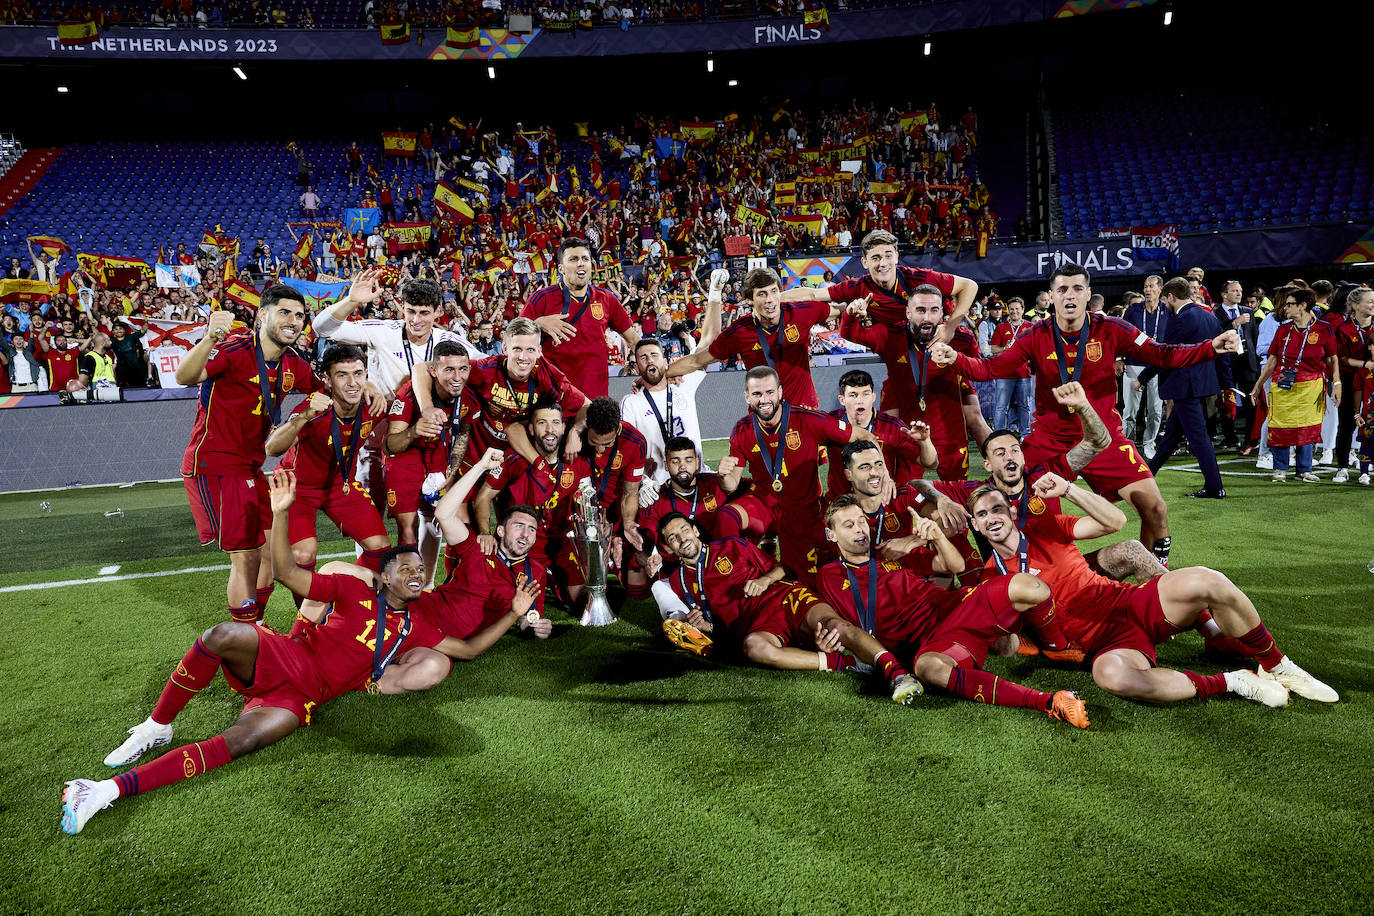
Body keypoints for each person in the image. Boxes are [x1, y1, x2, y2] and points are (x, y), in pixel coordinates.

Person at [59, 470, 466, 836]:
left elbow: (466, 649)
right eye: (406, 568)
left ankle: (100, 791)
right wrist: (281, 513)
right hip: (290, 656)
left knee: (241, 741)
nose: (416, 575)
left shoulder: (416, 627)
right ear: (384, 576)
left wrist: (514, 615)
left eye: (419, 571)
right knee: (222, 634)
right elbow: (289, 573)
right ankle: (157, 725)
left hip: (301, 699)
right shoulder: (355, 589)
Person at [931, 262, 1240, 567]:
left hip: (1103, 437)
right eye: (1062, 289)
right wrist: (956, 358)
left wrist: (1211, 346)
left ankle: (1154, 586)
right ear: (1051, 296)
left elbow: (1162, 353)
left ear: (1088, 294)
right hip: (1050, 439)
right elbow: (990, 368)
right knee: (1017, 509)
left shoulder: (1112, 328)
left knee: (1155, 508)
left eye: (1077, 288)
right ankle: (1027, 577)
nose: (1070, 296)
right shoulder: (1034, 334)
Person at [969, 479, 1337, 705]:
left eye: (997, 508)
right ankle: (1233, 682)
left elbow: (1115, 521)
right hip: (1103, 647)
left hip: (1128, 604)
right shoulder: (990, 579)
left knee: (1208, 579)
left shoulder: (1046, 526)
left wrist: (1068, 489)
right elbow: (1007, 647)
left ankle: (1277, 666)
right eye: (982, 515)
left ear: (1011, 510)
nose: (992, 517)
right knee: (1113, 679)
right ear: (977, 525)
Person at [819, 494, 1085, 721]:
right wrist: (827, 642)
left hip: (956, 606)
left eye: (861, 522)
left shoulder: (891, 551)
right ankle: (1049, 701)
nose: (859, 529)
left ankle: (1055, 647)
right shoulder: (828, 575)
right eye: (849, 525)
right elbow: (831, 622)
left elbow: (954, 566)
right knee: (929, 668)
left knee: (1032, 587)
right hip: (935, 641)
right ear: (832, 534)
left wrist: (935, 537)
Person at [177, 288, 332, 624]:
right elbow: (184, 377)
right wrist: (207, 338)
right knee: (246, 556)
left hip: (250, 467)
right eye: (285, 313)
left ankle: (256, 627)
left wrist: (303, 413)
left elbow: (324, 389)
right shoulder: (234, 348)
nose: (293, 321)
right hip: (214, 464)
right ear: (262, 315)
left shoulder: (293, 363)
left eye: (299, 316)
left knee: (268, 553)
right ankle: (245, 636)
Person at [656, 512, 912, 691]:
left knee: (835, 626)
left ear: (695, 530)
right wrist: (705, 627)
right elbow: (715, 624)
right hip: (757, 627)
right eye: (673, 538)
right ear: (669, 548)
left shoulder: (732, 546)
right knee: (755, 648)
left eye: (684, 530)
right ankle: (847, 664)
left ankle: (897, 672)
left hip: (783, 598)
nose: (682, 538)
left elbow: (784, 569)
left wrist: (765, 581)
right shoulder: (678, 581)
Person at [311, 271, 476, 514]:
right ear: (401, 307)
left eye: (424, 313)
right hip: (379, 433)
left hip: (425, 436)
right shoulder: (383, 331)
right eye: (410, 311)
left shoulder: (449, 342)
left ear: (438, 312)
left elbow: (494, 363)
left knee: (427, 513)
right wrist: (352, 300)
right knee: (369, 509)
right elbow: (322, 329)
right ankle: (370, 554)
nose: (416, 320)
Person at [724, 366, 878, 586]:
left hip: (802, 512)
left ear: (780, 392)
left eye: (769, 392)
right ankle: (734, 580)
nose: (764, 399)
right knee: (727, 517)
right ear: (747, 397)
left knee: (805, 578)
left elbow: (864, 436)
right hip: (766, 508)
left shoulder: (808, 419)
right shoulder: (741, 430)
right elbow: (730, 485)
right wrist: (724, 476)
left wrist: (883, 477)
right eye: (757, 394)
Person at [264, 344, 392, 576]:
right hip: (297, 487)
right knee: (303, 555)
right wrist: (305, 416)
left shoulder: (373, 404)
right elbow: (272, 448)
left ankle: (351, 594)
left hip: (340, 486)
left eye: (358, 374)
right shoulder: (315, 406)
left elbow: (404, 403)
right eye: (342, 375)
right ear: (328, 380)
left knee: (381, 550)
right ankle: (311, 613)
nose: (352, 383)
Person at [839, 283, 980, 480]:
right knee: (906, 497)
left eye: (934, 310)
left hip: (950, 435)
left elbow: (979, 368)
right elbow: (850, 333)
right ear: (908, 312)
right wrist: (851, 313)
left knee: (957, 496)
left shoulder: (961, 339)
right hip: (909, 435)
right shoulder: (891, 335)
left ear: (941, 314)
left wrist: (958, 360)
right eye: (920, 310)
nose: (927, 317)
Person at [664, 266, 849, 409]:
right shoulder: (739, 332)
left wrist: (858, 304)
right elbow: (697, 359)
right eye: (762, 294)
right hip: (764, 416)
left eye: (774, 291)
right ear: (749, 299)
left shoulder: (801, 312)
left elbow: (842, 311)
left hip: (805, 410)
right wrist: (661, 375)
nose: (770, 299)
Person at [426, 447, 553, 642]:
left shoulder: (535, 572)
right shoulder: (477, 545)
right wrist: (481, 466)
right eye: (519, 526)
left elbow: (528, 616)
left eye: (532, 530)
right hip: (424, 616)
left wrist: (536, 627)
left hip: (450, 643)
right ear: (500, 530)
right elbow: (443, 514)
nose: (525, 534)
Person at [779, 228, 978, 344]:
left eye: (888, 256)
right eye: (875, 258)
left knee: (969, 411)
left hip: (938, 341)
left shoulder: (919, 278)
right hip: (901, 352)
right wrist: (773, 299)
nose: (883, 263)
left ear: (897, 257)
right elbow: (814, 295)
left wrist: (951, 327)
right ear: (865, 262)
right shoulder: (857, 287)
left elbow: (969, 286)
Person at [386, 341, 476, 584]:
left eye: (463, 369)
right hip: (405, 459)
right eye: (449, 370)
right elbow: (390, 445)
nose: (457, 377)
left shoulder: (468, 393)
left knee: (454, 521)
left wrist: (452, 470)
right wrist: (414, 431)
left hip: (439, 455)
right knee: (407, 528)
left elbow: (463, 434)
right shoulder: (408, 395)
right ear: (433, 371)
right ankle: (407, 588)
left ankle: (446, 585)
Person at [1140, 277, 1232, 499]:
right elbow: (1222, 354)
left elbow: (1166, 355)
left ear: (1171, 297)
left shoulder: (1179, 320)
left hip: (1184, 386)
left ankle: (1214, 487)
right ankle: (1146, 477)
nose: (1164, 305)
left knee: (1199, 438)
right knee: (1171, 436)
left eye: (1164, 300)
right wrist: (1225, 384)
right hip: (1203, 385)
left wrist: (1142, 377)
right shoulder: (1209, 316)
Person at [520, 237, 640, 399]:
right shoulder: (542, 298)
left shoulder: (606, 299)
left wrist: (658, 366)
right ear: (561, 268)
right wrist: (538, 323)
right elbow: (513, 337)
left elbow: (633, 340)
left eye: (585, 259)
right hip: (553, 400)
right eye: (573, 259)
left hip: (595, 401)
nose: (581, 263)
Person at [1251, 288, 1338, 482]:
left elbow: (1333, 358)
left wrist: (1337, 382)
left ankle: (1304, 470)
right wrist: (1258, 385)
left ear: (1303, 306)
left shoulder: (1323, 328)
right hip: (1283, 382)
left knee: (1308, 426)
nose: (1285, 307)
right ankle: (1280, 469)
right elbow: (1272, 360)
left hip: (1312, 385)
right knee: (1280, 425)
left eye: (1289, 304)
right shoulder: (1283, 329)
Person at [824, 369, 934, 499]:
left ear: (873, 397)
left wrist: (925, 441)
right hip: (841, 503)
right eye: (853, 395)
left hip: (880, 502)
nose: (860, 401)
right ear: (842, 400)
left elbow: (931, 464)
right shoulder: (830, 422)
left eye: (866, 394)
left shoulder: (892, 427)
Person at [621, 337, 706, 485]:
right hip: (659, 487)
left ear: (666, 362)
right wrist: (644, 482)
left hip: (698, 479)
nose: (650, 360)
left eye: (654, 355)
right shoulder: (631, 403)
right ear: (636, 367)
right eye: (643, 357)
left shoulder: (684, 385)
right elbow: (625, 451)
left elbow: (706, 347)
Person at [1119, 275, 1169, 458]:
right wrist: (1119, 358)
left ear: (1160, 289)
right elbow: (1120, 334)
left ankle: (1149, 443)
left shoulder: (1167, 310)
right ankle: (1127, 445)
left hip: (1157, 367)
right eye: (1145, 286)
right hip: (1134, 364)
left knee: (1155, 410)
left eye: (1151, 286)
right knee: (1130, 410)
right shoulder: (1133, 310)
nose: (1147, 290)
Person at [989, 296, 1034, 436]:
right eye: (1011, 309)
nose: (1014, 311)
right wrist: (1004, 349)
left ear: (1023, 310)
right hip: (1005, 373)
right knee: (1001, 406)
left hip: (1024, 373)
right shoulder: (1001, 327)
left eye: (1017, 309)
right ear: (1007, 310)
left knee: (1024, 406)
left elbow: (1035, 347)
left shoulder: (1029, 327)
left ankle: (1025, 435)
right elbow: (993, 349)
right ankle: (999, 434)